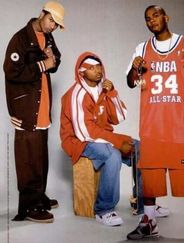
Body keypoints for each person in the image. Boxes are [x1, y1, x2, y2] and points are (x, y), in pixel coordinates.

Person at [126, 5, 184, 242]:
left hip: (181, 127)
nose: (151, 21)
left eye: (155, 15)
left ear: (167, 17)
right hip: (153, 127)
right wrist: (135, 70)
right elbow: (130, 82)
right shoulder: (142, 49)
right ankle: (149, 221)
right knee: (151, 175)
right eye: (147, 18)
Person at [4, 1, 65, 223]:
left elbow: (55, 60)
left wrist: (52, 58)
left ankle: (38, 196)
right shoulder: (20, 38)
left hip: (43, 107)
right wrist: (43, 65)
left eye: (57, 25)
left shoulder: (48, 37)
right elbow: (12, 72)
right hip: (27, 109)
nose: (53, 27)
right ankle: (29, 207)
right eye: (51, 21)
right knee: (28, 159)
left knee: (40, 157)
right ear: (42, 14)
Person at [60, 51, 137, 226]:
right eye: (91, 68)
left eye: (98, 66)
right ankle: (104, 210)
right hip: (78, 141)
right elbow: (84, 132)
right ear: (81, 72)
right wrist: (117, 142)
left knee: (139, 148)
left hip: (99, 137)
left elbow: (118, 117)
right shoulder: (76, 94)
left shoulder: (103, 89)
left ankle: (141, 203)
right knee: (113, 155)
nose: (97, 70)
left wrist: (113, 94)